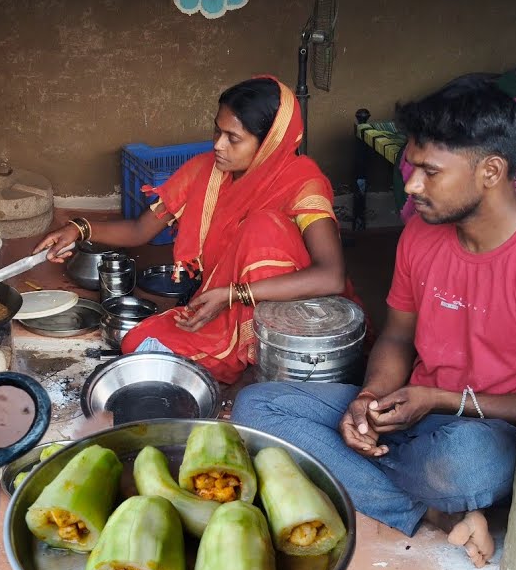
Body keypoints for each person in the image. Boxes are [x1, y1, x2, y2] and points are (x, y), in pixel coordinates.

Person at [231, 80, 516, 568]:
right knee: (258, 407)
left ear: (490, 172)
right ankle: (434, 510)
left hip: (485, 430)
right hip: (412, 413)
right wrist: (369, 398)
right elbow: (396, 336)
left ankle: (390, 481)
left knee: (463, 465)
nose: (411, 186)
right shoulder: (421, 232)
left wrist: (440, 400)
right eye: (413, 168)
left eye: (430, 172)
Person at [37, 76, 363, 384]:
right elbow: (140, 230)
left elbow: (330, 276)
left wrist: (234, 294)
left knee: (263, 226)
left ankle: (254, 360)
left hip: (291, 318)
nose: (219, 145)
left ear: (269, 143)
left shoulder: (302, 183)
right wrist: (78, 229)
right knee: (137, 341)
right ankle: (228, 356)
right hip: (222, 305)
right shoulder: (206, 171)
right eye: (217, 131)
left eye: (233, 138)